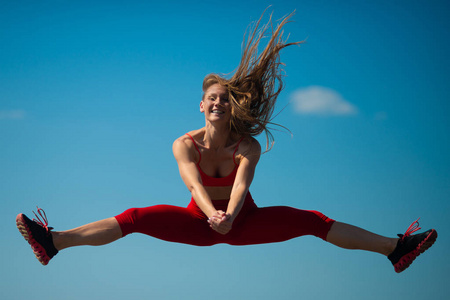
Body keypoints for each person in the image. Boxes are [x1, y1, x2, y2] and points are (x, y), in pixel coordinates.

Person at [16, 11, 437, 273]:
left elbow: (241, 186)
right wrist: (214, 219)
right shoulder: (184, 144)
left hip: (243, 221)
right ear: (201, 106)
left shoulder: (246, 146)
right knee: (137, 217)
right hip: (200, 222)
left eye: (224, 98)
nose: (218, 102)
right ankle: (54, 242)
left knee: (313, 221)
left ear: (230, 106)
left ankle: (394, 248)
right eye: (211, 98)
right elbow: (195, 187)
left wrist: (231, 217)